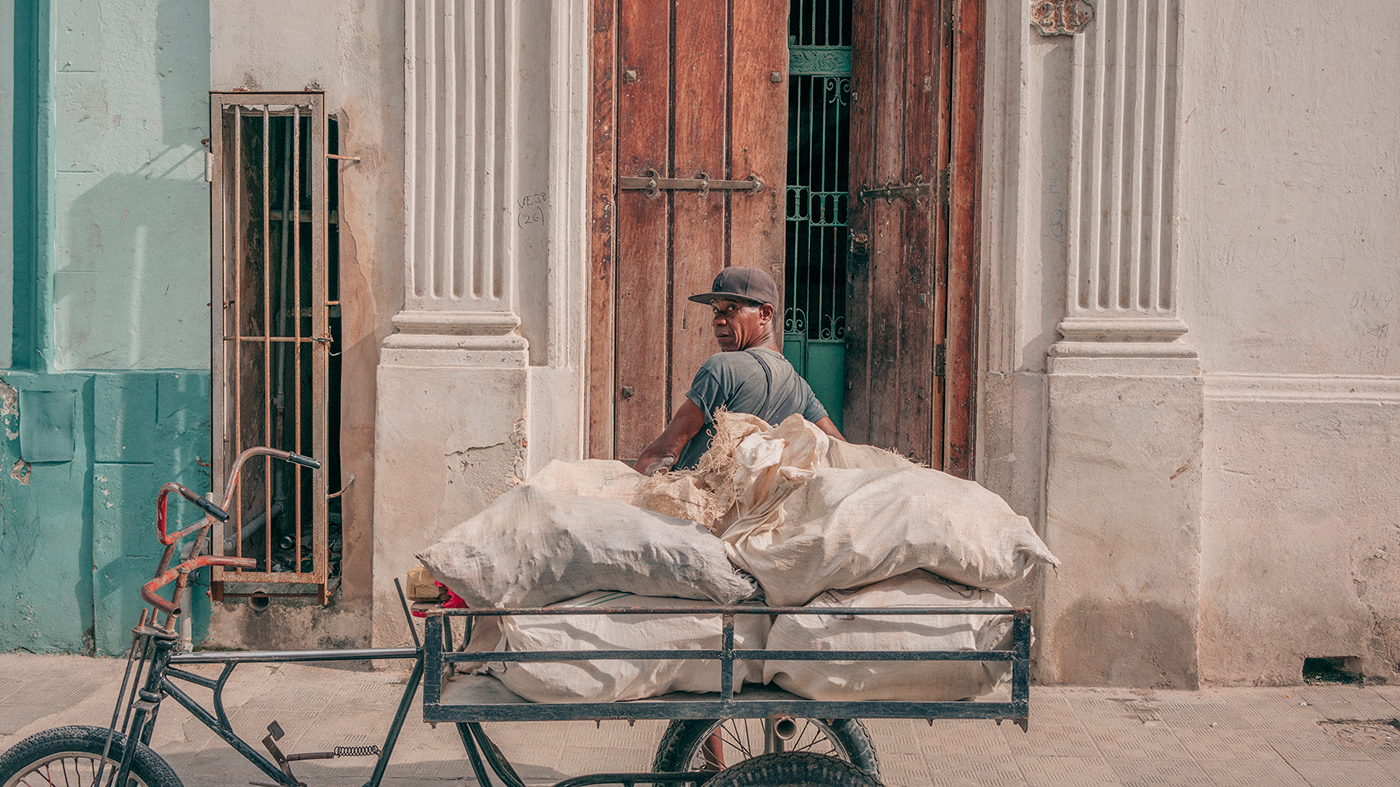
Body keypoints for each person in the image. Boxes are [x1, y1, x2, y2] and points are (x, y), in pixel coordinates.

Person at [634, 266, 844, 476]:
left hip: (699, 494)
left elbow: (662, 454)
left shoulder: (722, 368)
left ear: (765, 314)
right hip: (756, 498)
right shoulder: (800, 388)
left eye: (731, 308)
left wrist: (630, 491)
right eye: (715, 310)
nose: (717, 320)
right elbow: (841, 450)